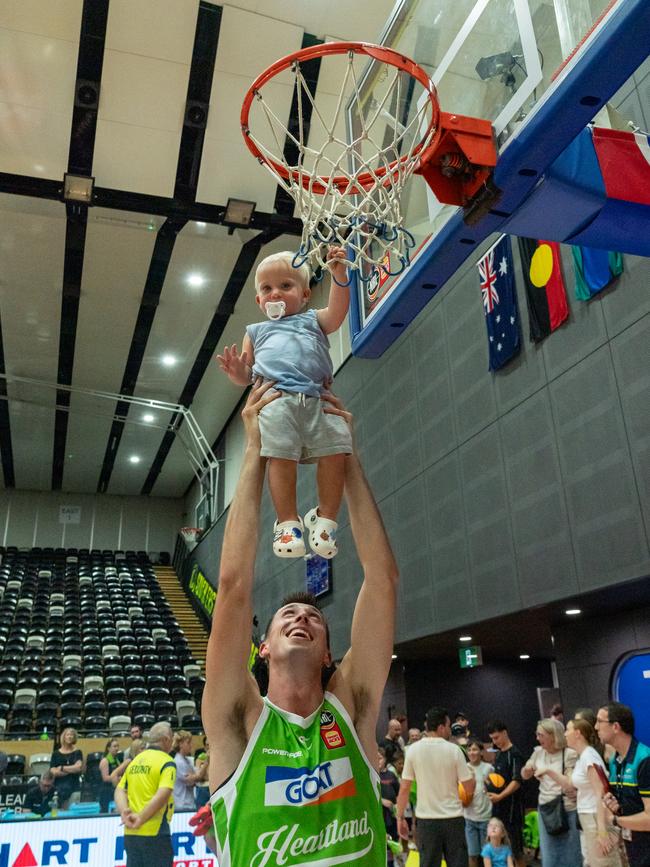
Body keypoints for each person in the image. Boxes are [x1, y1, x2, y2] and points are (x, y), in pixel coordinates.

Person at [202, 381, 399, 866]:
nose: (302, 616)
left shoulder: (352, 709)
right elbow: (232, 589)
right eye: (286, 615)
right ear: (262, 648)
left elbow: (382, 580)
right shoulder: (240, 718)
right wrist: (254, 451)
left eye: (313, 617)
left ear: (329, 654)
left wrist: (345, 453)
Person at [217, 249, 351, 559]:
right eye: (267, 289)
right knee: (280, 457)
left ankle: (326, 518)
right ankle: (287, 521)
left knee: (337, 451)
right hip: (276, 399)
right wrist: (239, 373)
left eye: (285, 286)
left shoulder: (312, 319)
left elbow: (337, 312)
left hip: (318, 398)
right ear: (258, 301)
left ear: (305, 294)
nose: (275, 292)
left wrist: (339, 275)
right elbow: (248, 373)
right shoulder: (256, 331)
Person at [396, 706, 475, 867]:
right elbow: (469, 789)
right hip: (453, 819)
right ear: (440, 727)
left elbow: (404, 788)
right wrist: (472, 775)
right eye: (447, 726)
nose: (449, 730)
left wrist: (400, 817)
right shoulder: (455, 750)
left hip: (427, 821)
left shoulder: (412, 750)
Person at [562, 718, 623, 867]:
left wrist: (601, 831)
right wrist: (548, 771)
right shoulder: (583, 756)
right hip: (589, 817)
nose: (564, 734)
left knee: (605, 862)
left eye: (567, 730)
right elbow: (571, 783)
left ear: (577, 733)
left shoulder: (589, 756)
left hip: (596, 818)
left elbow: (600, 792)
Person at [114, 721, 176, 867]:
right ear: (166, 739)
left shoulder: (136, 761)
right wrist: (141, 818)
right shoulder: (167, 761)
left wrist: (124, 812)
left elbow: (119, 790)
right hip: (155, 832)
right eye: (172, 738)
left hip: (131, 833)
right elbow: (163, 793)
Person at [521, 717, 581, 867]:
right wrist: (527, 770)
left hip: (566, 809)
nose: (537, 738)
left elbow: (569, 784)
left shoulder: (569, 754)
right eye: (537, 734)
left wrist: (548, 771)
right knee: (549, 856)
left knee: (571, 855)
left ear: (553, 735)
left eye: (541, 735)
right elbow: (524, 774)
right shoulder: (538, 753)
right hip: (546, 808)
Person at [596, 701, 650, 866]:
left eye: (599, 721)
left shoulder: (644, 760)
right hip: (635, 846)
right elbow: (630, 806)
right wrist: (617, 808)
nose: (595, 727)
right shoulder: (615, 761)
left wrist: (614, 820)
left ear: (616, 727)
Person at [486, 720, 526, 867]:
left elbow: (517, 781)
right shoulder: (498, 754)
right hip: (498, 809)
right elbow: (497, 780)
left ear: (505, 733)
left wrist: (500, 796)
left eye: (496, 737)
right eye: (492, 738)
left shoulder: (514, 754)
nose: (494, 741)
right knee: (498, 849)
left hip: (512, 811)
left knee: (516, 851)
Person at [464, 738, 494, 867]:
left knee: (487, 855)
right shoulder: (464, 768)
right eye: (469, 750)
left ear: (481, 752)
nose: (472, 752)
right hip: (469, 817)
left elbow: (495, 789)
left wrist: (491, 786)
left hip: (486, 817)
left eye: (475, 749)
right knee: (472, 854)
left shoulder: (489, 768)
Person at [49, 726, 83, 808]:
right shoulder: (56, 754)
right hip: (58, 788)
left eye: (72, 735)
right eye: (67, 735)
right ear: (63, 737)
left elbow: (78, 768)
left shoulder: (78, 752)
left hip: (74, 787)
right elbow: (53, 771)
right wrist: (71, 769)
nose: (70, 736)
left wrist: (61, 768)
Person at [99, 738, 129, 813]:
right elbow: (105, 778)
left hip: (115, 789)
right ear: (108, 748)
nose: (117, 748)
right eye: (114, 746)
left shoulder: (117, 760)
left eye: (117, 746)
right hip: (107, 792)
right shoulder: (105, 761)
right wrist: (117, 778)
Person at [172, 730, 201, 811]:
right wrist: (204, 764)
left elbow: (195, 778)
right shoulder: (178, 762)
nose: (191, 745)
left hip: (189, 803)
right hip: (182, 805)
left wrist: (195, 776)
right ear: (180, 744)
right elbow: (192, 781)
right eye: (188, 743)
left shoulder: (187, 760)